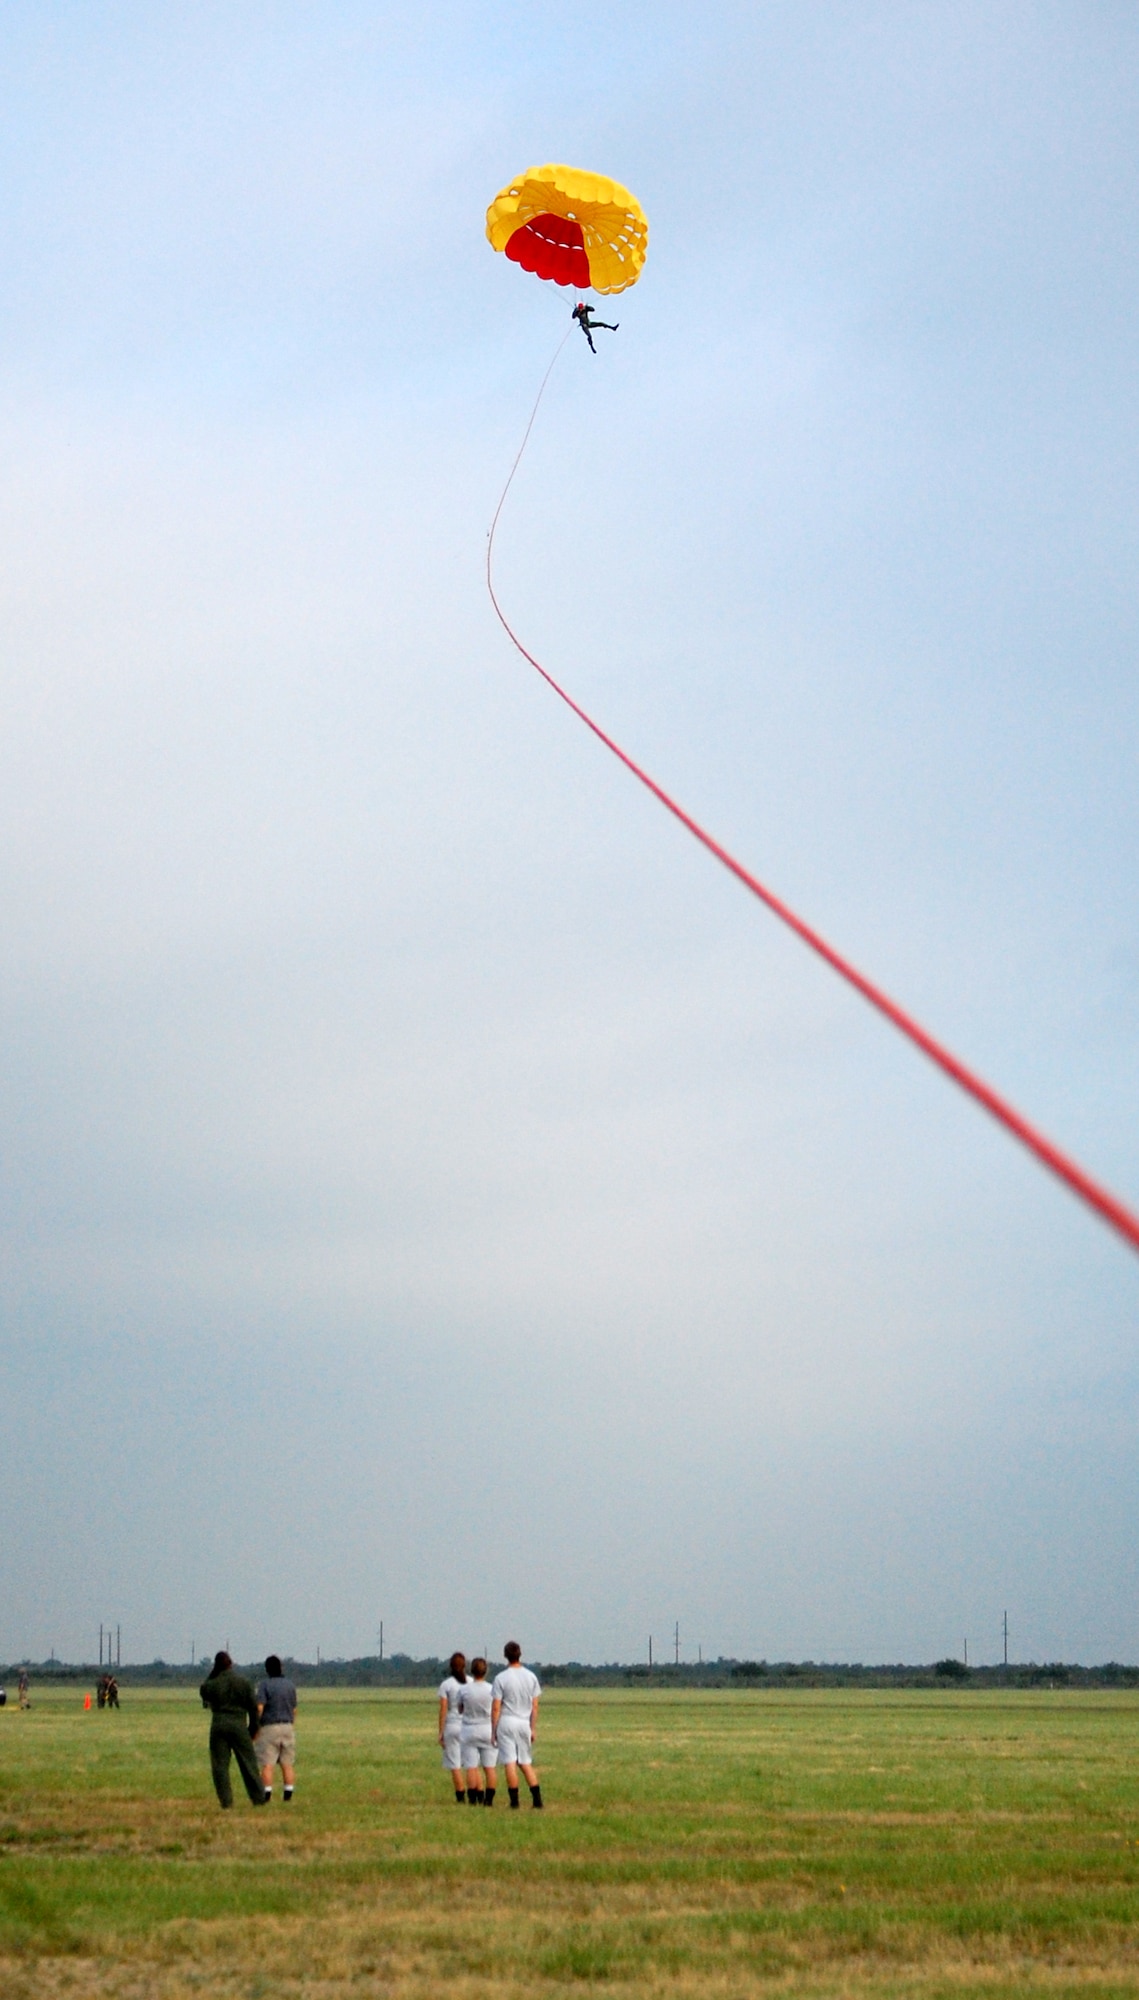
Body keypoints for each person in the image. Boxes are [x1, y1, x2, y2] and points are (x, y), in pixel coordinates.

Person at [199, 1651, 266, 1809]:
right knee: (248, 1763)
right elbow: (253, 1708)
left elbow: (203, 1691)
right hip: (238, 1724)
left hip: (219, 1724)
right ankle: (258, 1798)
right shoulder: (243, 1682)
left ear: (217, 1666)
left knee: (220, 1766)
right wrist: (254, 1728)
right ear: (231, 1664)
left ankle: (226, 1802)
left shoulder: (213, 1683)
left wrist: (212, 1673)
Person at [491, 1642, 542, 1809]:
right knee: (525, 1762)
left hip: (507, 1721)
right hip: (523, 1722)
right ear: (520, 1654)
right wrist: (532, 1728)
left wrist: (493, 1730)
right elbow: (535, 1706)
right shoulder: (531, 1677)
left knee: (510, 1763)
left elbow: (496, 1707)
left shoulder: (501, 1678)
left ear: (505, 1656)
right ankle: (537, 1800)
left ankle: (514, 1802)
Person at [255, 1654, 298, 1802]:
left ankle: (266, 1796)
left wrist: (255, 1725)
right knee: (287, 1764)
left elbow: (260, 1707)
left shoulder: (264, 1685)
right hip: (287, 1726)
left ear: (267, 1669)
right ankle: (288, 1796)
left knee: (267, 1764)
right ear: (281, 1667)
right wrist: (291, 1724)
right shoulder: (290, 1685)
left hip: (269, 1727)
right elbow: (294, 1710)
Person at [458, 1658, 497, 1805]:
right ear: (486, 1671)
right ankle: (489, 1800)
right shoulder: (492, 1688)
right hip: (487, 1729)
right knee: (489, 1767)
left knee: (471, 1767)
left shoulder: (464, 1689)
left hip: (469, 1729)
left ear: (471, 1671)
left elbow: (460, 1709)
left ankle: (473, 1799)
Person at [437, 1652, 468, 1802]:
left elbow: (443, 1709)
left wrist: (440, 1732)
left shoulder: (446, 1685)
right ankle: (477, 1794)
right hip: (469, 1726)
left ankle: (461, 1797)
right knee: (472, 1763)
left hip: (452, 1726)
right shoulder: (472, 1682)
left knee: (455, 1764)